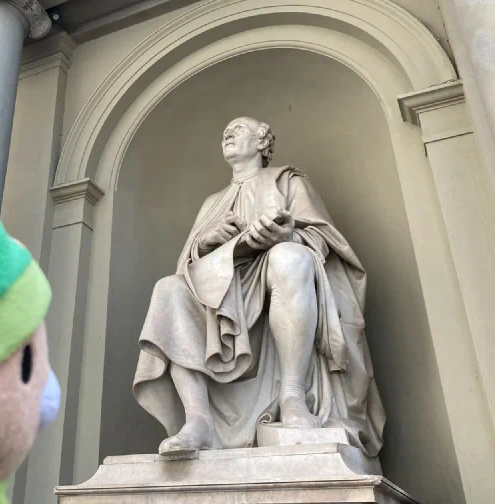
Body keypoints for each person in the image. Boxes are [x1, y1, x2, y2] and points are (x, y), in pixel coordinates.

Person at [133, 117, 385, 457]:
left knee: (290, 257)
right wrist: (206, 243)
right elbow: (187, 269)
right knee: (168, 289)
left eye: (239, 129)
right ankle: (199, 419)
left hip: (273, 281)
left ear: (263, 142)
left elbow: (326, 240)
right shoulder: (212, 203)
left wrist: (288, 235)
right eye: (225, 130)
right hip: (223, 292)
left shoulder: (288, 182)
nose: (228, 133)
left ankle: (293, 396)